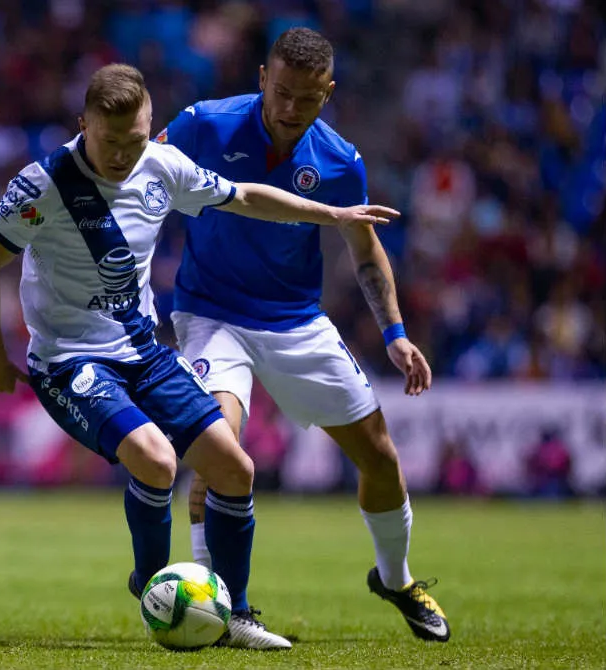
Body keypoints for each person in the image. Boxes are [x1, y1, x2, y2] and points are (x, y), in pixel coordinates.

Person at [0, 63, 399, 649]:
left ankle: (236, 617)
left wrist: (332, 215)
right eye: (109, 141)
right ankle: (151, 584)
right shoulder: (44, 185)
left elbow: (244, 195)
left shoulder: (162, 165)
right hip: (70, 362)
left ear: (150, 127)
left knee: (234, 469)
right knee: (157, 462)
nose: (123, 154)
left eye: (136, 139)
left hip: (142, 352)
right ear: (83, 125)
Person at [157, 27, 449, 642]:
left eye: (306, 99)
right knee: (219, 443)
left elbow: (365, 251)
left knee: (379, 456)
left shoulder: (339, 162)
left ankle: (395, 579)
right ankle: (215, 602)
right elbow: (135, 176)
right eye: (281, 92)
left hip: (294, 321)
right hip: (209, 313)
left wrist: (394, 331)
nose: (289, 109)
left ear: (329, 92)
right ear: (262, 77)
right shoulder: (203, 125)